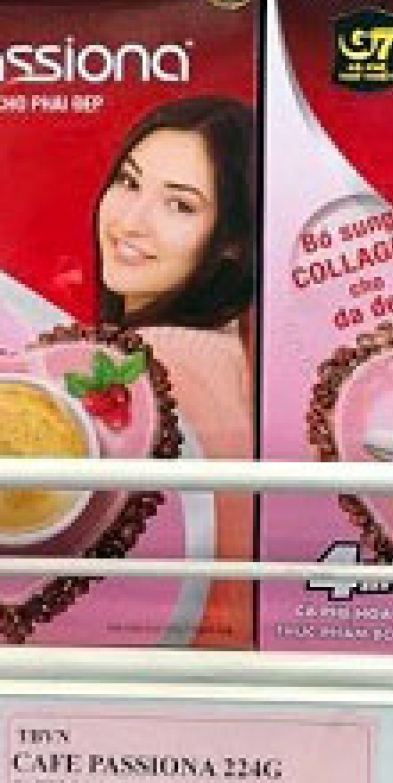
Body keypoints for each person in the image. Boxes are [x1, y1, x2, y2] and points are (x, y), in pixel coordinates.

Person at [93, 96, 255, 645]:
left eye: (180, 206)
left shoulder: (146, 367)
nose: (130, 222)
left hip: (154, 658)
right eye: (129, 182)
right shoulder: (226, 354)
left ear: (232, 243)